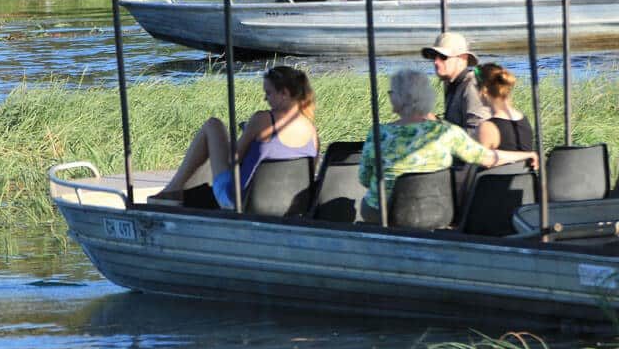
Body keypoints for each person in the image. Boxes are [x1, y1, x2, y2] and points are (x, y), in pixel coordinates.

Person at [358, 69, 536, 224]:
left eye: (391, 92)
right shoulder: (447, 132)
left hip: (385, 213)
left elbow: (365, 179)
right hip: (437, 212)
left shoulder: (378, 134)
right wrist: (525, 155)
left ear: (397, 98)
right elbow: (488, 158)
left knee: (366, 203)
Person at [151, 65, 318, 208]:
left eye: (268, 93)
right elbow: (309, 171)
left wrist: (245, 136)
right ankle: (174, 191)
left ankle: (172, 191)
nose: (265, 98)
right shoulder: (311, 129)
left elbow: (233, 159)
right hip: (290, 204)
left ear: (284, 93)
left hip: (238, 201)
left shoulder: (263, 119)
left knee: (213, 125)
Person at [421, 31, 489, 134]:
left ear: (462, 58)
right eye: (434, 56)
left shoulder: (472, 86)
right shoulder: (455, 84)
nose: (436, 62)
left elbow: (478, 134)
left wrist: (437, 124)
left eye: (443, 57)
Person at [475, 63, 533, 153]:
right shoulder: (524, 120)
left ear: (484, 91)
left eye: (476, 88)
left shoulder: (487, 127)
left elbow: (481, 161)